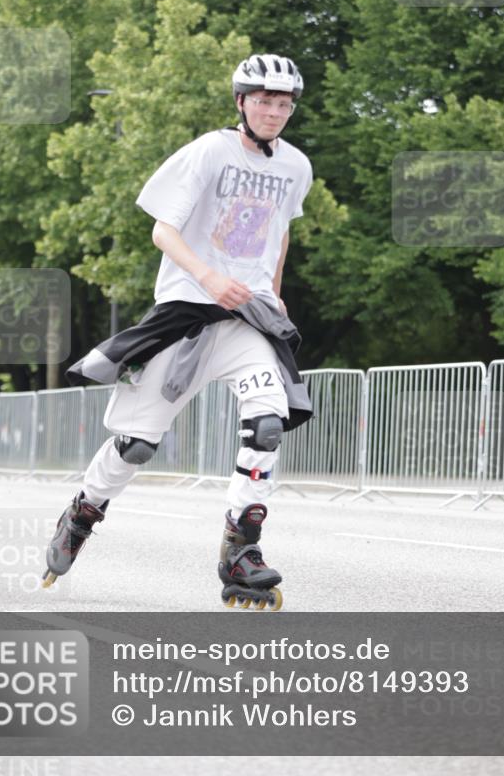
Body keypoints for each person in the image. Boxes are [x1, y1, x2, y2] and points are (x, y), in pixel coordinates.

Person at [43, 54, 314, 609]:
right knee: (138, 445)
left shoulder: (296, 166)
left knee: (267, 424)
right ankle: (82, 512)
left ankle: (242, 548)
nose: (274, 112)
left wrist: (273, 291)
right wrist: (210, 277)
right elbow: (163, 232)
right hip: (189, 314)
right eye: (263, 101)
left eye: (284, 104)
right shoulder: (209, 151)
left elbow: (279, 233)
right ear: (241, 102)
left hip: (247, 321)